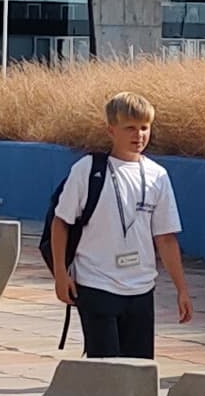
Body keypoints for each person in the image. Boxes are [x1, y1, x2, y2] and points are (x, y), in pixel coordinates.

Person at [48, 91, 193, 359]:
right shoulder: (87, 170)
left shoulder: (157, 176)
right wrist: (60, 273)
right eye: (130, 128)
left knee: (139, 372)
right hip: (96, 283)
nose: (139, 135)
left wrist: (181, 289)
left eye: (144, 128)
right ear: (111, 130)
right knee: (106, 370)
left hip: (141, 287)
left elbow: (166, 238)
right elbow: (61, 223)